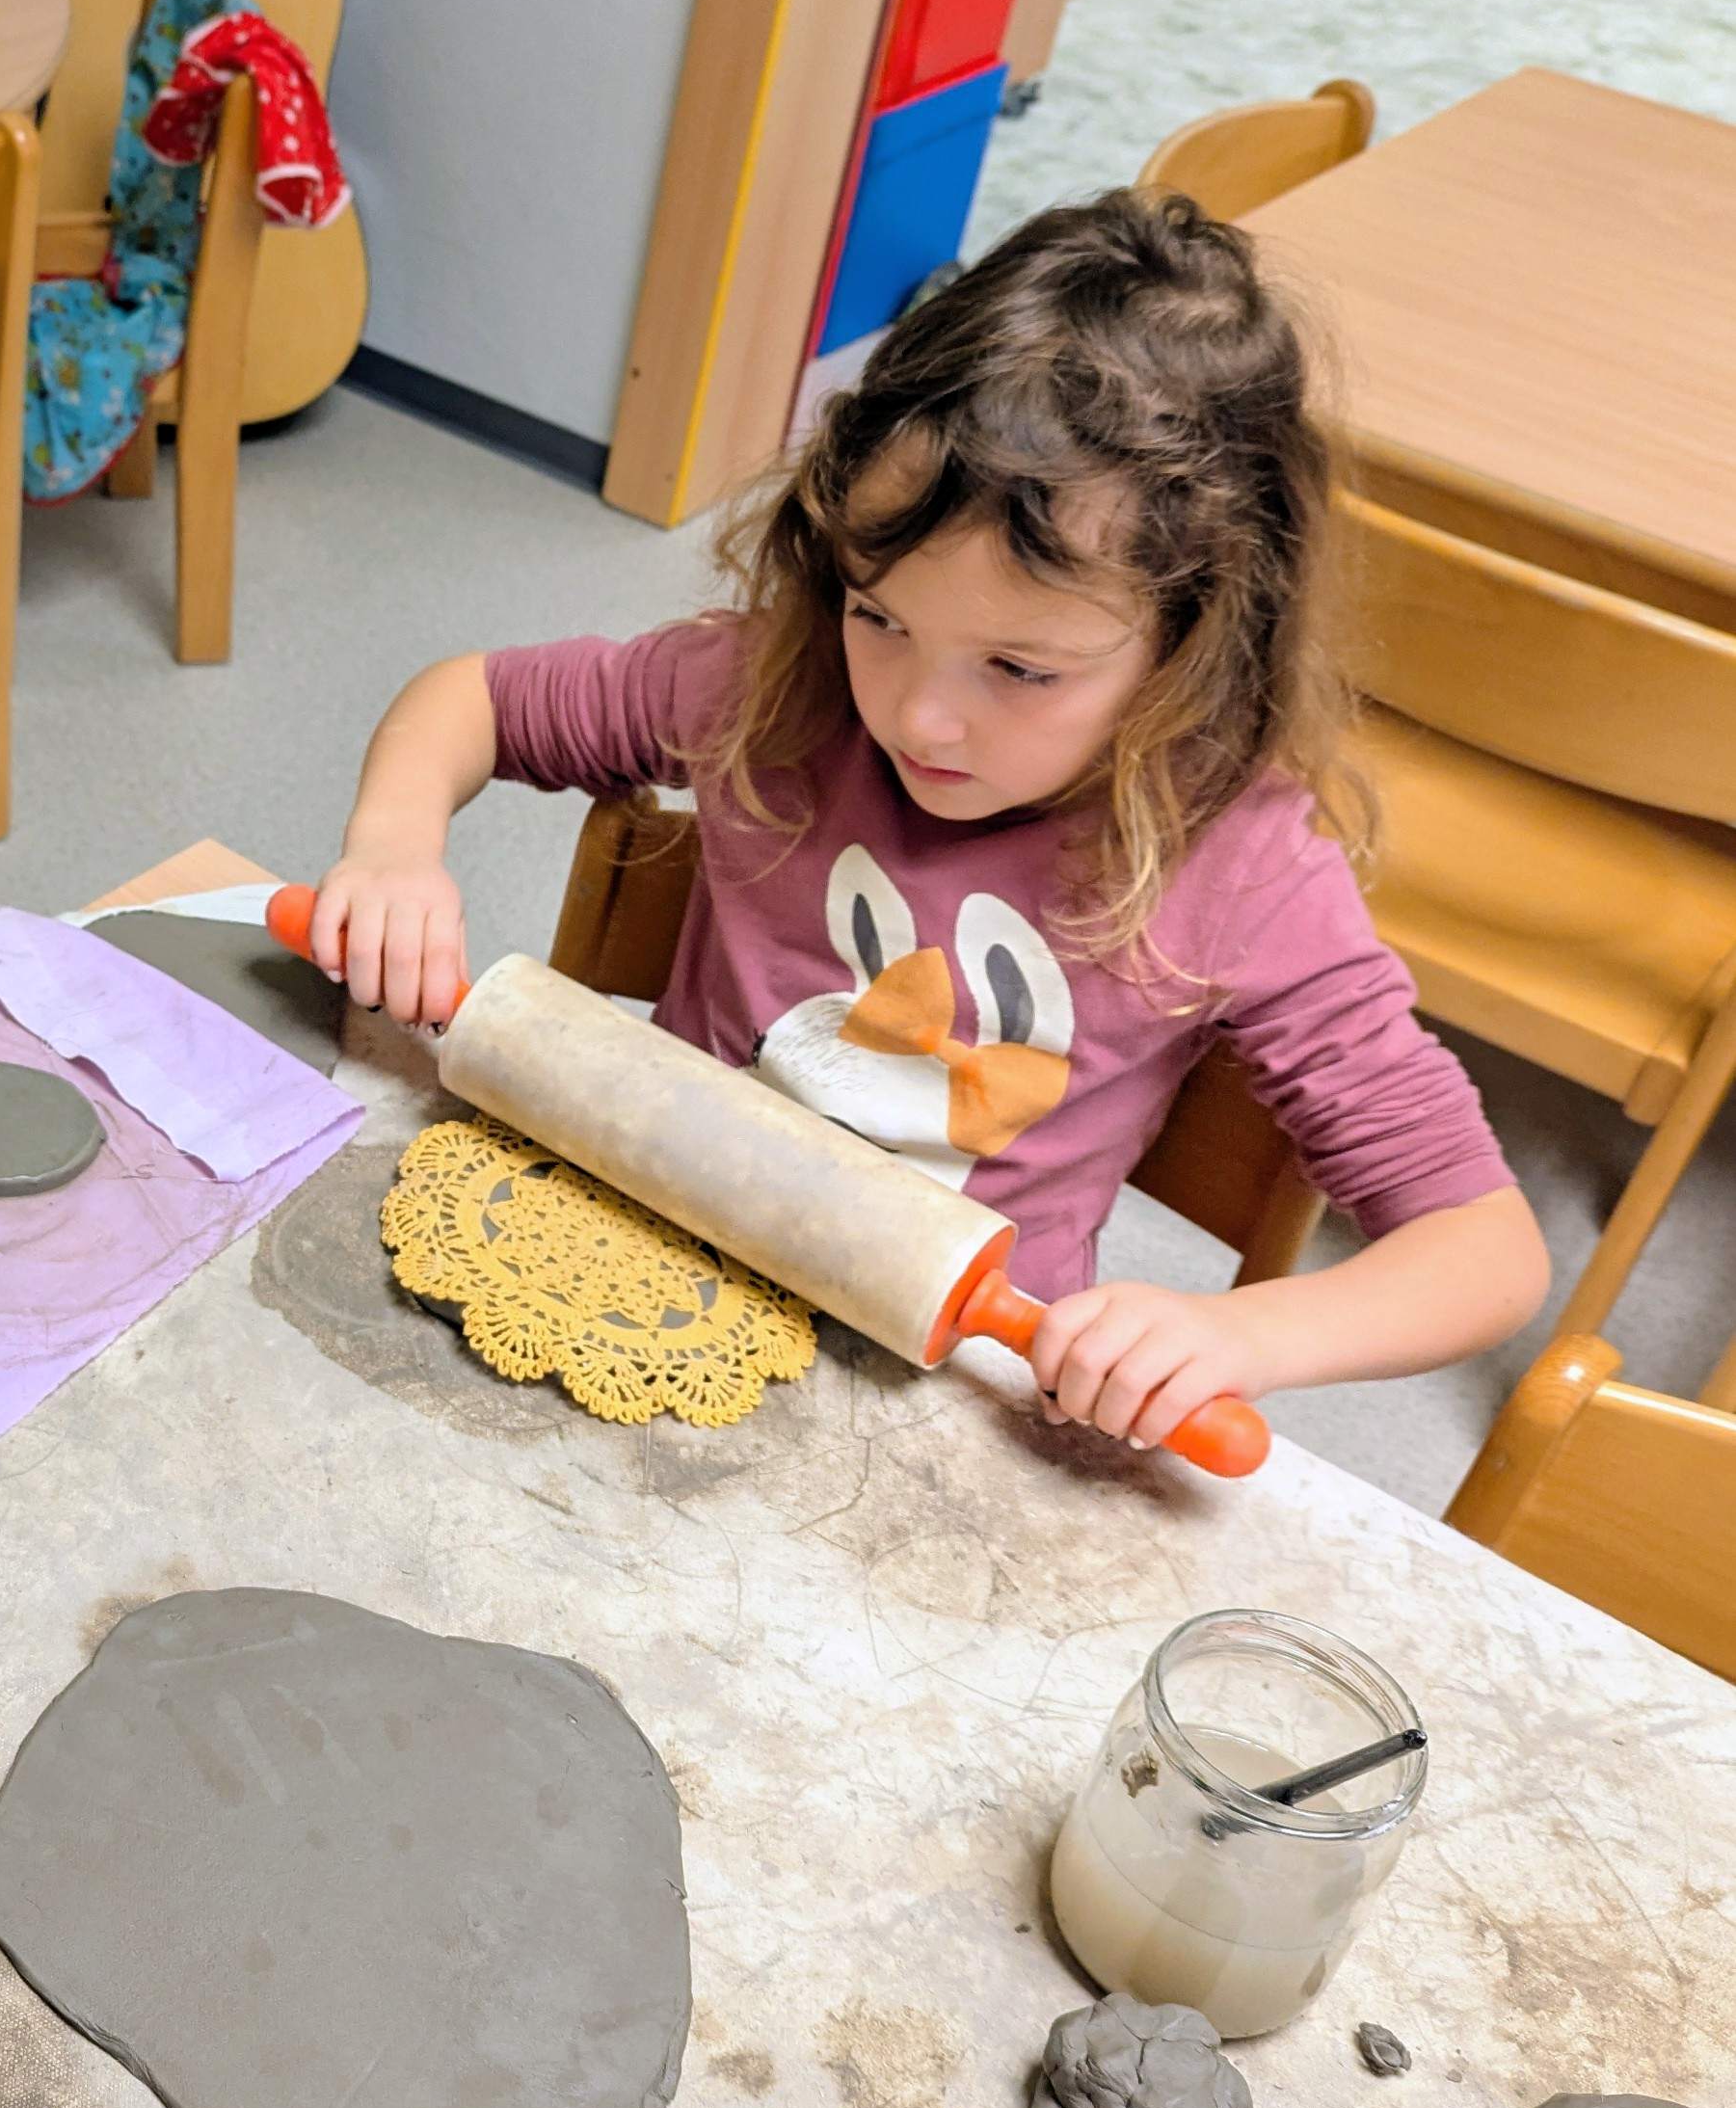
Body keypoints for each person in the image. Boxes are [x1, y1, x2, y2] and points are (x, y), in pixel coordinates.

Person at [307, 191, 1548, 1452]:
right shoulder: (776, 684)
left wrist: (1240, 1337)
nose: (919, 717)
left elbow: (1483, 1249)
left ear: (1197, 644)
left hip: (936, 1395)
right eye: (880, 615)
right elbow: (473, 700)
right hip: (645, 1249)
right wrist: (394, 849)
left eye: (1020, 669)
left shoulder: (1241, 865)